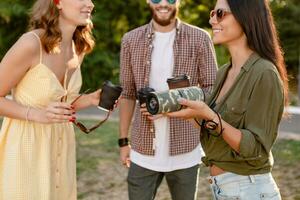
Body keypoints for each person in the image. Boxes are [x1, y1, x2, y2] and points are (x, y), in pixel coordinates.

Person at [167, 0, 289, 199]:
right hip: (224, 189)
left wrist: (208, 114)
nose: (212, 19)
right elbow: (217, 129)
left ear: (245, 17)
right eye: (212, 13)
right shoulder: (224, 71)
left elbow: (256, 149)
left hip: (250, 189)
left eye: (220, 13)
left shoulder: (264, 72)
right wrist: (191, 114)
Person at [119, 0, 217, 199]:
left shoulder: (200, 38)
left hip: (186, 149)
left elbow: (212, 88)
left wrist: (170, 104)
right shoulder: (130, 39)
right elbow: (127, 94)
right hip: (143, 149)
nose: (163, 4)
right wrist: (123, 142)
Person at [0, 0, 98, 199]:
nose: (90, 4)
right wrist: (36, 114)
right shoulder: (30, 43)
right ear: (58, 3)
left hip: (61, 146)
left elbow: (60, 105)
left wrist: (91, 99)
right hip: (26, 147)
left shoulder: (78, 48)